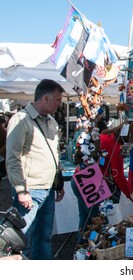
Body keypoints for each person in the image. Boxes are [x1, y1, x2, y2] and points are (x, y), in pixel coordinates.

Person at [6, 79, 65, 260]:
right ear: (45, 98)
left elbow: (55, 155)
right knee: (21, 240)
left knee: (43, 237)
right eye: (57, 99)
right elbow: (13, 158)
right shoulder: (21, 120)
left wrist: (59, 183)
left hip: (46, 188)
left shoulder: (52, 122)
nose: (59, 103)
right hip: (30, 188)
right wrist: (22, 190)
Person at [70, 120, 133, 245]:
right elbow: (119, 177)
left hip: (80, 180)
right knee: (101, 225)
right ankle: (98, 251)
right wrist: (131, 196)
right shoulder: (116, 145)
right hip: (90, 185)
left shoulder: (107, 136)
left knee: (86, 222)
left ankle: (82, 250)